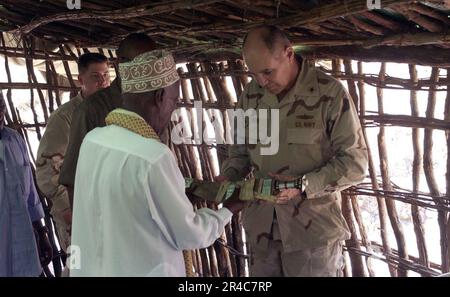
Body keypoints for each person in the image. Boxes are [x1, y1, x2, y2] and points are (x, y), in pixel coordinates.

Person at [69, 49, 245, 276]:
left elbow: (124, 203)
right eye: (173, 101)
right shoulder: (153, 156)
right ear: (160, 97)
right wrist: (229, 209)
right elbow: (189, 234)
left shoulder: (94, 140)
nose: (172, 110)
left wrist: (176, 195)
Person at [216, 25, 368, 276]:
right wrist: (228, 176)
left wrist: (303, 184)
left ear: (288, 53)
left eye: (268, 72)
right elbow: (240, 154)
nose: (262, 82)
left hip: (312, 235)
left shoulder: (328, 94)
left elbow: (355, 162)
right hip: (262, 232)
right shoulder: (251, 96)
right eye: (254, 74)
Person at [58, 33, 157, 208]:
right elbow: (74, 175)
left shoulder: (156, 100)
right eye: (139, 62)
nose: (145, 68)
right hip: (107, 208)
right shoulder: (90, 109)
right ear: (121, 63)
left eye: (151, 63)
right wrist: (81, 224)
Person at [36, 53, 110, 252]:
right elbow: (46, 170)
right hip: (76, 214)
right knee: (80, 267)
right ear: (80, 80)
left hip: (107, 211)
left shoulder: (115, 113)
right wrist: (67, 209)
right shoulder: (65, 118)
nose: (103, 81)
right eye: (95, 76)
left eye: (106, 75)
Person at [0, 92, 53, 276]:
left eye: (1, 104)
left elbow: (31, 194)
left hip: (25, 246)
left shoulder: (14, 139)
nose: (0, 110)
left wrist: (42, 232)